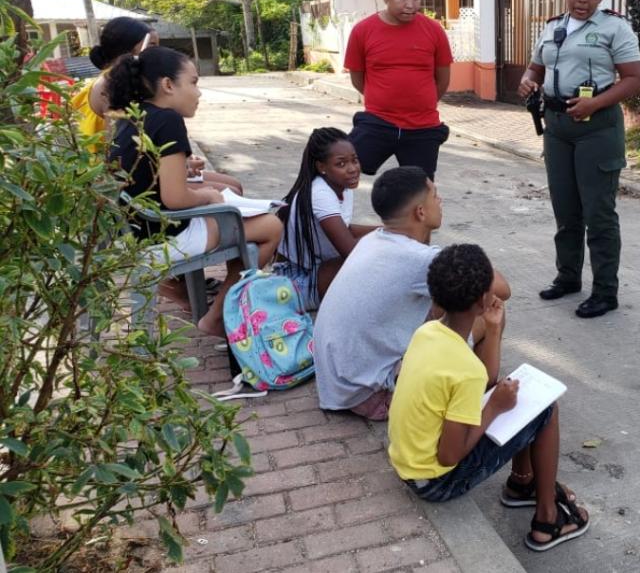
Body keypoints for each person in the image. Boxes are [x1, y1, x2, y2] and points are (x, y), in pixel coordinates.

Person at [388, 243, 589, 552]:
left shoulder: (426, 333)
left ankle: (523, 484)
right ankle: (547, 521)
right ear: (484, 299)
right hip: (436, 482)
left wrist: (493, 332)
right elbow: (449, 456)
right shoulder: (465, 368)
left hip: (409, 465)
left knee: (515, 395)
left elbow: (485, 381)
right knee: (545, 410)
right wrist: (494, 408)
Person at [105, 46, 283, 337]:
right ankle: (215, 319)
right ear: (168, 85)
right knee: (271, 226)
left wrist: (195, 180)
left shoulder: (132, 116)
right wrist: (209, 196)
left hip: (136, 231)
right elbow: (175, 198)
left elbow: (148, 178)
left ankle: (224, 305)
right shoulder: (168, 120)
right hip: (164, 236)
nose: (198, 92)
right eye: (194, 82)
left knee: (233, 209)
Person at [313, 166, 509, 420]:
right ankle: (476, 399)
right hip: (371, 395)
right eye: (435, 196)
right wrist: (470, 259)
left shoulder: (374, 239)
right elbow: (503, 289)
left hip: (336, 385)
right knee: (488, 310)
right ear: (420, 212)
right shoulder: (419, 259)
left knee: (444, 302)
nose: (441, 201)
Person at [517, 0, 640, 319]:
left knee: (599, 213)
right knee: (565, 209)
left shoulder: (615, 29)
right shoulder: (553, 27)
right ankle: (568, 277)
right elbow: (536, 66)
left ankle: (605, 291)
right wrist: (528, 80)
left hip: (597, 128)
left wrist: (595, 103)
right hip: (557, 126)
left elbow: (634, 79)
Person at [77, 16, 243, 195]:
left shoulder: (124, 80)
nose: (159, 51)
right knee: (230, 190)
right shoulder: (112, 86)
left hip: (140, 168)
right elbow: (116, 154)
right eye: (152, 45)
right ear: (129, 49)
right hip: (115, 182)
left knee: (232, 185)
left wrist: (178, 161)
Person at [343, 0, 452, 180]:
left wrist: (421, 103)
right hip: (378, 122)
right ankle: (328, 213)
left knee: (420, 191)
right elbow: (358, 78)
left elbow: (442, 80)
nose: (411, 4)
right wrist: (382, 100)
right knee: (340, 168)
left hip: (423, 126)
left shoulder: (434, 30)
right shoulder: (363, 31)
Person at [274, 127, 376, 311]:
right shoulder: (320, 193)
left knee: (387, 245)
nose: (353, 169)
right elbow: (351, 252)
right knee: (376, 258)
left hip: (317, 271)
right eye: (341, 164)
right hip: (297, 282)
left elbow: (344, 229)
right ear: (322, 167)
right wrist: (390, 238)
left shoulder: (341, 185)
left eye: (355, 160)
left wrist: (388, 230)